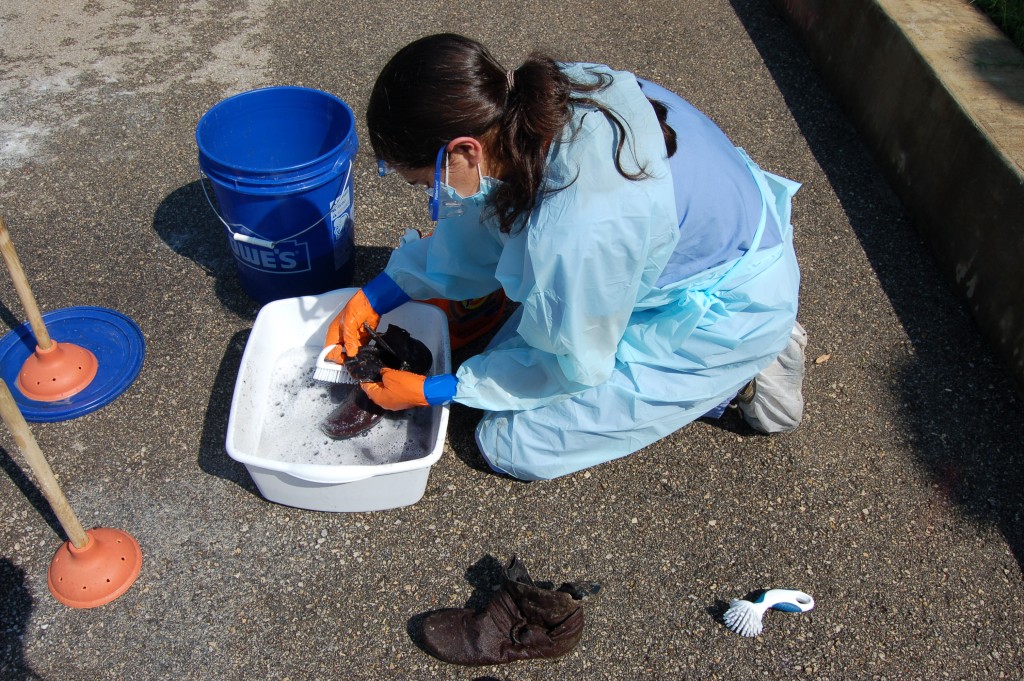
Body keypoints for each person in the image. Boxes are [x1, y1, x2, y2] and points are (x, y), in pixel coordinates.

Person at [324, 33, 806, 481]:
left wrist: (431, 391)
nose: (433, 197)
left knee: (509, 441)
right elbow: (484, 225)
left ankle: (740, 380)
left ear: (466, 150)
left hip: (730, 309)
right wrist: (380, 293)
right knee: (508, 356)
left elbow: (570, 364)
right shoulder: (532, 100)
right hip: (666, 243)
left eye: (427, 186)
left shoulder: (582, 229)